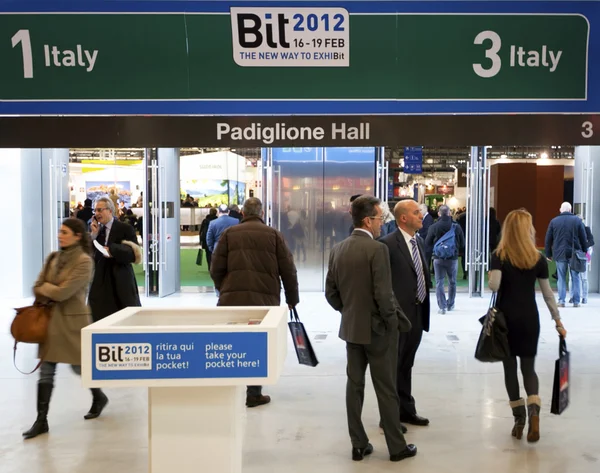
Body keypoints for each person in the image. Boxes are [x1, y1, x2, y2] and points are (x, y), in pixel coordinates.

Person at [325, 195, 417, 463]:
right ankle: (396, 447)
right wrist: (391, 325)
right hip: (378, 332)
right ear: (367, 220)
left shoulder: (338, 249)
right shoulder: (378, 250)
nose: (381, 224)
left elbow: (331, 293)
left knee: (354, 387)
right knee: (386, 389)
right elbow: (384, 295)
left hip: (352, 330)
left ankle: (358, 444)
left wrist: (350, 311)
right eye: (379, 219)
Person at [23, 219, 108, 440]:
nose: (60, 235)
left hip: (72, 324)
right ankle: (41, 420)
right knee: (46, 371)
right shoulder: (53, 258)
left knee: (80, 369)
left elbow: (63, 293)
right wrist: (49, 288)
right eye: (60, 232)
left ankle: (98, 396)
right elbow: (35, 287)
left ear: (77, 235)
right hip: (50, 323)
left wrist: (47, 288)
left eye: (64, 232)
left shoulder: (84, 261)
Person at [210, 197, 299, 408]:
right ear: (261, 214)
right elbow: (288, 270)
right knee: (258, 344)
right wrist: (292, 299)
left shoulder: (229, 235)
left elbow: (216, 268)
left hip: (232, 299)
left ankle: (229, 389)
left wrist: (224, 288)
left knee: (231, 342)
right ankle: (253, 393)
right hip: (264, 300)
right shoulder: (274, 236)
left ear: (242, 213)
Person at [488, 209, 566, 443]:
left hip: (506, 320)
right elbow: (547, 294)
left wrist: (493, 271)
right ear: (528, 230)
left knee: (509, 369)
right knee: (528, 369)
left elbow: (494, 286)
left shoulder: (499, 255)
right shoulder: (538, 258)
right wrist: (558, 321)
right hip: (530, 319)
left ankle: (519, 419)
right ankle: (534, 414)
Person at [380, 199, 431, 428]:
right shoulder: (387, 245)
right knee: (392, 367)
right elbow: (382, 284)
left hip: (418, 313)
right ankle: (389, 417)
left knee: (406, 365)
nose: (421, 216)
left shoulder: (417, 242)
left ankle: (406, 411)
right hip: (398, 317)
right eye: (416, 212)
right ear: (403, 218)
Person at [88, 197, 142, 322]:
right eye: (95, 210)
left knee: (125, 316)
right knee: (99, 316)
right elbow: (90, 254)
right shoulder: (96, 230)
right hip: (101, 279)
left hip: (121, 278)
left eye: (100, 210)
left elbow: (134, 254)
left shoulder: (125, 228)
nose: (97, 214)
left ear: (110, 210)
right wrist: (93, 235)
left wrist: (112, 250)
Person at [544, 202, 588, 307]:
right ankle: (576, 301)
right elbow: (583, 237)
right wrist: (584, 251)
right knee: (575, 277)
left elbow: (548, 239)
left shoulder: (554, 221)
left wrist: (548, 254)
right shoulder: (577, 221)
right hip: (575, 253)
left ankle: (561, 301)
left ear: (560, 209)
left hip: (560, 253)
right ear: (570, 209)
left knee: (561, 277)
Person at [425, 205, 465, 314]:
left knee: (439, 282)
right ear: (449, 213)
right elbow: (462, 243)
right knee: (452, 282)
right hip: (452, 258)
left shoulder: (434, 226)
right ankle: (450, 304)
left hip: (438, 258)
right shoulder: (456, 227)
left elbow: (427, 243)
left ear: (439, 214)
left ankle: (442, 306)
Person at [568, 215, 594, 304]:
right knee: (573, 278)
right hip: (574, 254)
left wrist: (584, 247)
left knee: (583, 278)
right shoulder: (572, 230)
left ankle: (584, 297)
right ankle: (572, 296)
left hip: (583, 255)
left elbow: (591, 241)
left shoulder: (586, 229)